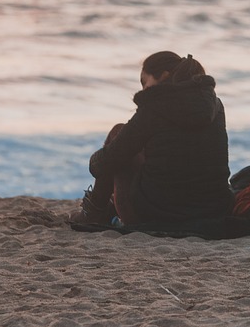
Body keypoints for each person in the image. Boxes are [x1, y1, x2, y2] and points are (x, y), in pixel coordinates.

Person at [68, 51, 233, 226]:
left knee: (118, 132)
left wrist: (96, 159)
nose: (143, 90)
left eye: (144, 82)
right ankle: (102, 210)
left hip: (158, 215)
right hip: (214, 210)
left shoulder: (153, 107)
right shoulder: (215, 105)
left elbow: (106, 162)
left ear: (163, 76)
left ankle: (93, 213)